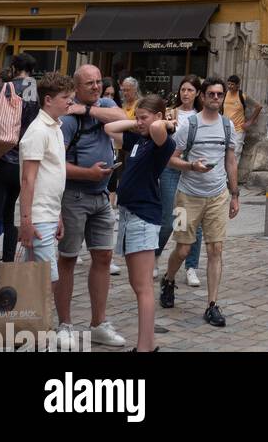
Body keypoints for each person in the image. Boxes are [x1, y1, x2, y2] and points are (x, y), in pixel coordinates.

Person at [54, 64, 126, 348]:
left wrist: (88, 110)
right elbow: (55, 164)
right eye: (89, 84)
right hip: (74, 196)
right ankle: (65, 325)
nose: (96, 87)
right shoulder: (68, 119)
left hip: (100, 197)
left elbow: (123, 118)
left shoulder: (103, 105)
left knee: (104, 258)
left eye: (98, 82)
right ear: (76, 87)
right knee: (68, 260)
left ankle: (98, 324)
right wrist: (88, 173)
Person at [160, 75, 239, 327]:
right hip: (187, 197)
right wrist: (191, 166)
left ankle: (212, 304)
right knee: (183, 249)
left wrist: (234, 194)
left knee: (215, 249)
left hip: (217, 196)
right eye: (211, 94)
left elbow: (231, 161)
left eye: (220, 94)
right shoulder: (190, 125)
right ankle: (169, 279)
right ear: (202, 97)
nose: (216, 98)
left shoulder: (228, 126)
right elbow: (171, 158)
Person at [105, 95, 175, 352]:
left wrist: (164, 123)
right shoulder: (138, 139)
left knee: (143, 286)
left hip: (143, 216)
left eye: (144, 117)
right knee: (137, 284)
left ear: (159, 116)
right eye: (138, 116)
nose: (140, 122)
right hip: (128, 215)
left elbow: (158, 129)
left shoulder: (162, 143)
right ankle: (147, 344)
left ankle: (146, 347)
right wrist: (134, 123)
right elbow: (109, 128)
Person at [18, 73, 75, 308]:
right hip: (37, 216)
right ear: (48, 100)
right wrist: (26, 221)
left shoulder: (57, 128)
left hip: (48, 214)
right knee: (47, 278)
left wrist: (58, 215)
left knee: (33, 275)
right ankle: (35, 326)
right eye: (66, 97)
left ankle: (24, 325)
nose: (70, 101)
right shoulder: (38, 130)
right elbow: (28, 179)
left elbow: (52, 178)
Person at [154, 74, 203, 286]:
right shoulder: (170, 113)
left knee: (193, 222)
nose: (186, 94)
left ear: (197, 93)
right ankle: (155, 257)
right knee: (167, 218)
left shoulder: (201, 116)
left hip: (192, 171)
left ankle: (191, 266)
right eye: (183, 89)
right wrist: (166, 125)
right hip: (170, 168)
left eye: (190, 90)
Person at [0, 59, 41, 262]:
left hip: (2, 158)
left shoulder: (8, 87)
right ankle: (8, 263)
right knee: (9, 214)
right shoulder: (38, 90)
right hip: (23, 161)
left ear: (13, 68)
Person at [224, 74, 263, 165]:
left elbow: (259, 106)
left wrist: (250, 122)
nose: (230, 86)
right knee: (224, 155)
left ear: (238, 85)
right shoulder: (224, 95)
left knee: (235, 154)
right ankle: (223, 178)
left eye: (232, 84)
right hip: (225, 129)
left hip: (238, 130)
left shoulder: (243, 96)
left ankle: (230, 178)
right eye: (228, 84)